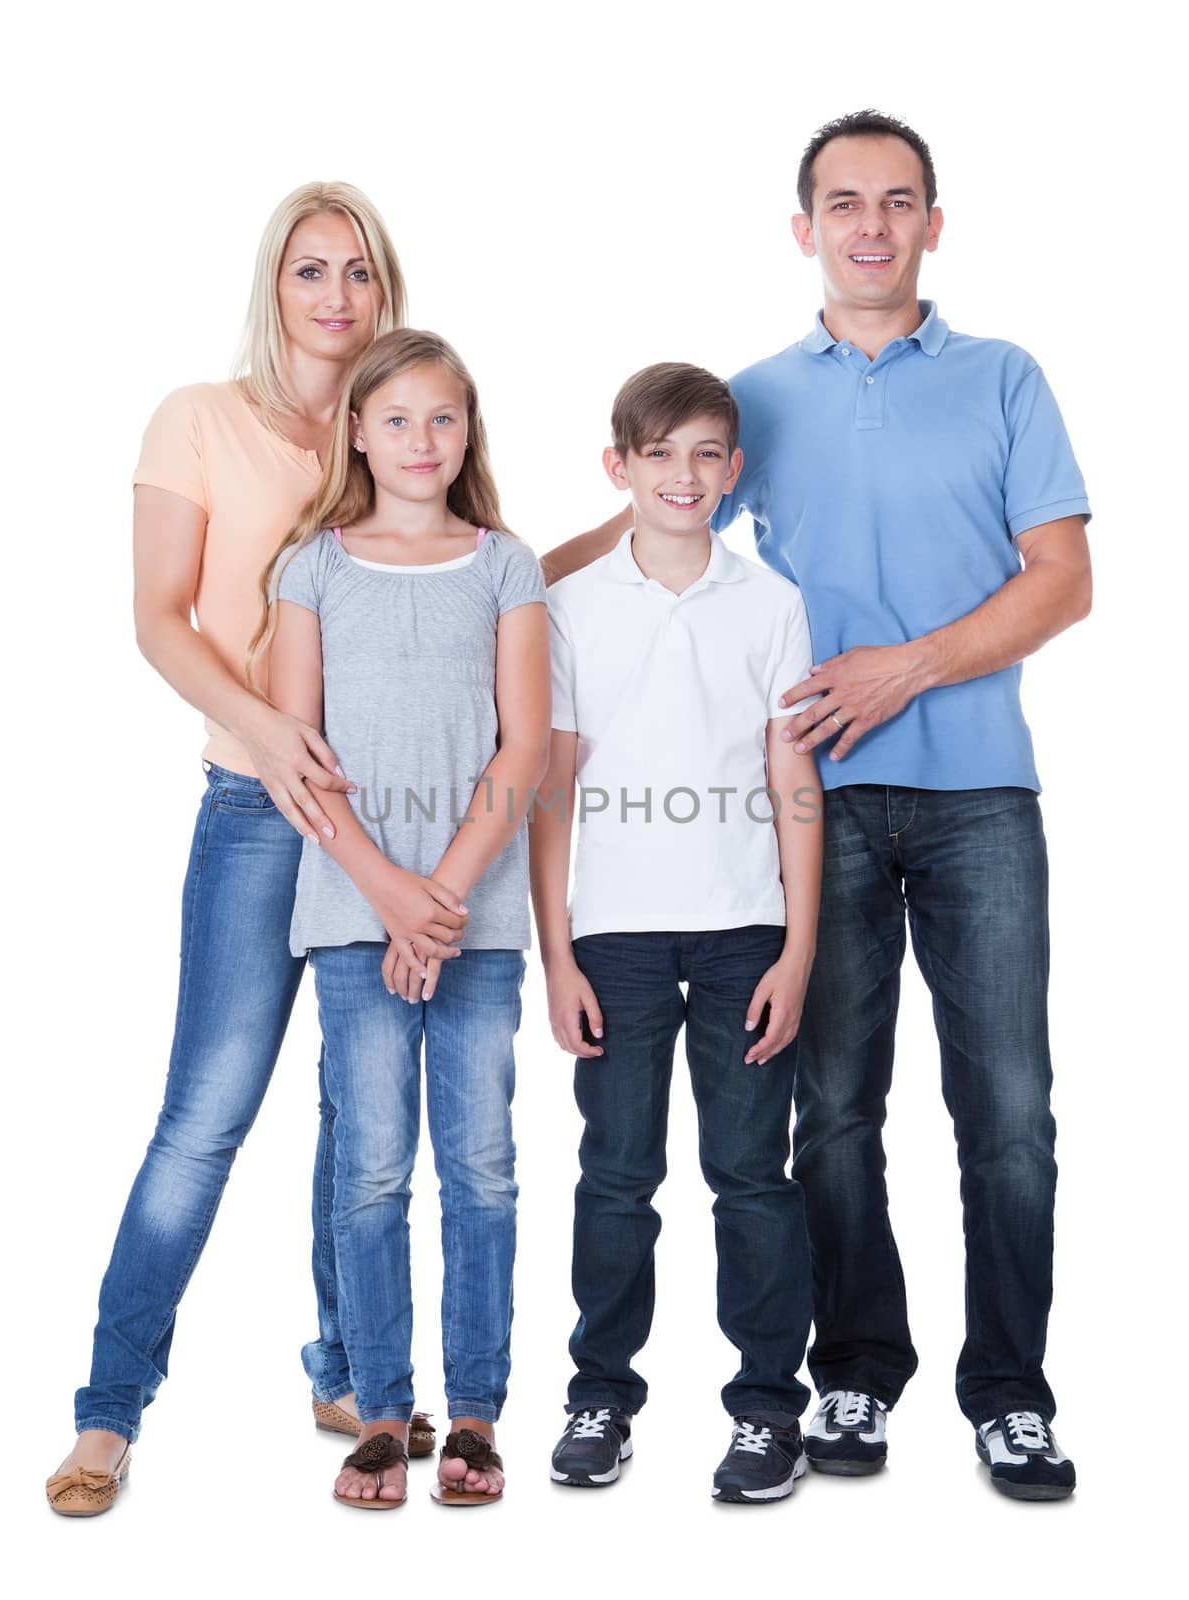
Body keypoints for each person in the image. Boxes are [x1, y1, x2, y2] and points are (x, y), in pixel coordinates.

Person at [542, 110, 1092, 1503]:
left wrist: (908, 664)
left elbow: (1061, 581)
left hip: (978, 794)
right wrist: (484, 573)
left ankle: (1010, 1393)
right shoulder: (753, 397)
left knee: (1008, 1110)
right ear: (804, 229)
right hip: (815, 806)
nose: (869, 223)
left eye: (896, 200)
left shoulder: (1004, 379)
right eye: (842, 202)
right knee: (833, 1111)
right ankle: (851, 1375)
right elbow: (653, 532)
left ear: (930, 224)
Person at [45, 183, 443, 1519]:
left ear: (385, 295)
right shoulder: (200, 420)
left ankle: (342, 1372)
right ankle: (109, 1413)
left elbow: (482, 574)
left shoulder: (403, 429)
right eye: (310, 270)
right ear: (274, 287)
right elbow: (160, 620)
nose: (336, 297)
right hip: (256, 812)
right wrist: (269, 734)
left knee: (361, 1115)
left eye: (359, 274)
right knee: (205, 1118)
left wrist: (636, 526)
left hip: (384, 824)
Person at [260, 328, 549, 1508]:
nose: (422, 442)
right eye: (397, 420)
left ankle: (475, 1411)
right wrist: (388, 894)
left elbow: (522, 747)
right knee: (372, 1170)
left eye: (444, 419)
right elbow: (298, 755)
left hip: (472, 927)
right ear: (357, 433)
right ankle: (383, 1411)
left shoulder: (505, 565)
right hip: (349, 912)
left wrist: (445, 901)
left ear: (467, 433)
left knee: (479, 1168)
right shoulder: (311, 568)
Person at [531, 363, 822, 1503]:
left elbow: (791, 776)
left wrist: (799, 947)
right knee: (616, 1173)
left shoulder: (770, 603)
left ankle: (765, 1411)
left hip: (746, 926)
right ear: (620, 469)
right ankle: (599, 1395)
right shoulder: (571, 606)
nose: (684, 475)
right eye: (659, 455)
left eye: (706, 454)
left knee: (752, 1173)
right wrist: (557, 952)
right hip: (615, 938)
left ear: (733, 470)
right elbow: (552, 785)